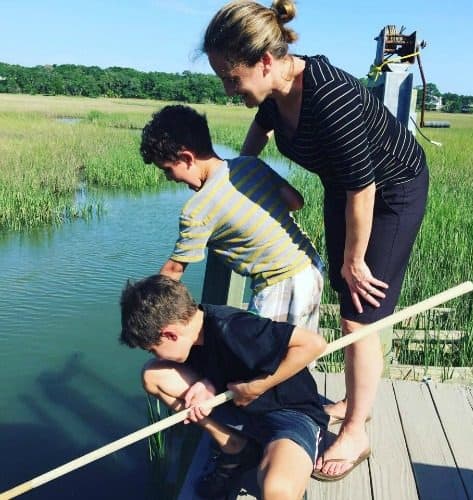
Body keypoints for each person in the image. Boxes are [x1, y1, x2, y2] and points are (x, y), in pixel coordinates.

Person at [202, 0, 429, 480]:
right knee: (348, 302)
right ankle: (353, 400)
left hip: (391, 193)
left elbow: (364, 187)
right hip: (344, 188)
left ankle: (356, 431)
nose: (228, 88)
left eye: (231, 77)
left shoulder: (331, 98)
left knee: (358, 315)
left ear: (265, 61)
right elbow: (259, 137)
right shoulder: (271, 93)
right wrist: (238, 176)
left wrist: (355, 259)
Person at [120, 274, 330, 498]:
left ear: (170, 334)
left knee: (276, 490)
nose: (156, 356)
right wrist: (206, 383)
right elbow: (222, 362)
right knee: (154, 375)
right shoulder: (192, 335)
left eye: (153, 349)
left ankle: (284, 448)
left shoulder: (237, 328)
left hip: (289, 413)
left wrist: (256, 387)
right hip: (241, 408)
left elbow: (314, 344)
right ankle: (234, 446)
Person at [140, 104, 324, 330]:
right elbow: (296, 202)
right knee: (299, 348)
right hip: (310, 266)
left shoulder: (197, 210)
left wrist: (145, 312)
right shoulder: (250, 164)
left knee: (263, 357)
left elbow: (173, 271)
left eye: (167, 169)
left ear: (187, 158)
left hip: (280, 282)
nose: (169, 178)